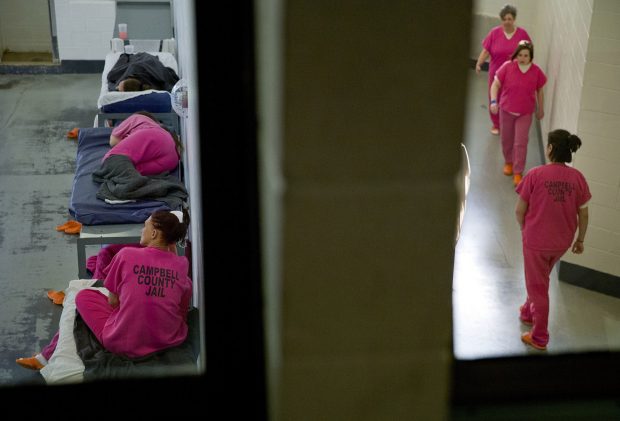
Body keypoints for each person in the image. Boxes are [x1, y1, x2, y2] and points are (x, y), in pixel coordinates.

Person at [16, 209, 192, 369]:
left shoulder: (126, 255)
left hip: (122, 343)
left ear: (154, 233)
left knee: (83, 296)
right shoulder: (182, 265)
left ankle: (45, 357)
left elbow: (113, 302)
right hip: (168, 340)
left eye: (145, 226)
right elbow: (182, 312)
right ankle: (44, 357)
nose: (141, 230)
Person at [515, 129, 591, 351]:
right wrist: (581, 240)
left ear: (549, 149)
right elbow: (583, 214)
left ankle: (539, 336)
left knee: (538, 287)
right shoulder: (578, 178)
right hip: (561, 242)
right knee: (541, 276)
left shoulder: (535, 175)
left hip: (536, 241)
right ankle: (529, 311)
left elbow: (519, 211)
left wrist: (524, 229)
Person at [490, 40, 546, 186]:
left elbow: (540, 91)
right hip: (506, 110)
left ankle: (518, 171)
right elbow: (495, 85)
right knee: (506, 139)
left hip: (525, 113)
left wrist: (540, 109)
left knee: (521, 142)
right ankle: (508, 162)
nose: (522, 58)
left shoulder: (536, 71)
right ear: (516, 54)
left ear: (531, 57)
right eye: (520, 55)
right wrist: (493, 101)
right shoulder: (507, 67)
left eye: (526, 55)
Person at [476, 4, 531, 135]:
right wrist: (479, 63)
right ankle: (496, 124)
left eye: (510, 18)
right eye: (504, 19)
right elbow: (486, 51)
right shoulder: (494, 33)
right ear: (501, 20)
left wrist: (527, 68)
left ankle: (508, 123)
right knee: (494, 96)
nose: (507, 21)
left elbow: (528, 53)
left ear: (514, 19)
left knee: (510, 97)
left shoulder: (522, 34)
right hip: (496, 71)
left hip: (514, 72)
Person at [104, 111, 183, 176]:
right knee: (126, 172)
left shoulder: (136, 117)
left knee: (109, 163)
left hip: (156, 138)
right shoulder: (161, 132)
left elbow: (113, 141)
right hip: (172, 160)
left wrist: (126, 139)